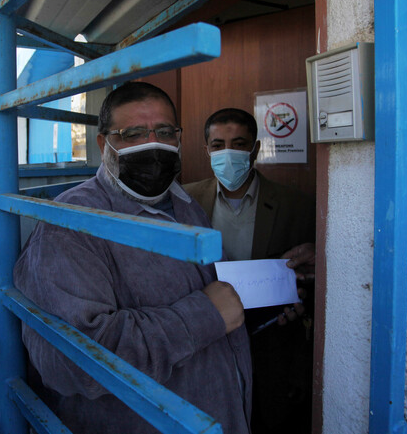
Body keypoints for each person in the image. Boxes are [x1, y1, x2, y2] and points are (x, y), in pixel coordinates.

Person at [13, 83, 252, 434]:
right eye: (133, 134)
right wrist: (203, 317)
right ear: (103, 144)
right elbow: (71, 361)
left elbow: (220, 296)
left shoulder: (185, 205)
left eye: (164, 132)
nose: (152, 145)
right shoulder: (70, 225)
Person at [183, 107, 316, 434]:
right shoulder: (185, 200)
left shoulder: (297, 206)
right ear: (207, 150)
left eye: (239, 144)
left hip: (270, 343)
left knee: (268, 418)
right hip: (208, 338)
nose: (228, 153)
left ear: (255, 149)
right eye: (218, 145)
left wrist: (301, 300)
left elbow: (311, 278)